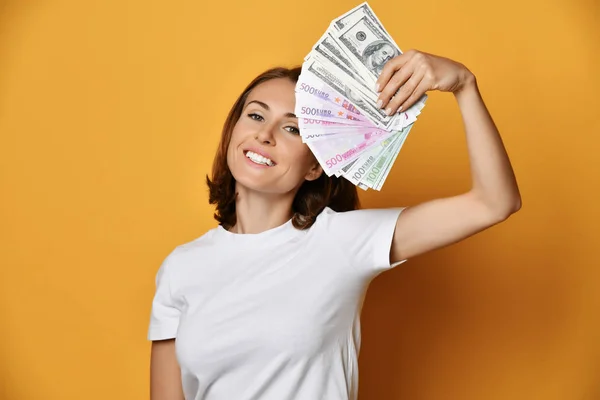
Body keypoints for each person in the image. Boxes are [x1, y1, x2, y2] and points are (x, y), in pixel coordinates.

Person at [147, 49, 521, 400]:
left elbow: (495, 202)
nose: (265, 135)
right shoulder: (180, 268)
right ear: (233, 132)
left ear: (315, 166)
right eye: (256, 115)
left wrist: (463, 84)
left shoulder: (341, 241)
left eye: (292, 129)